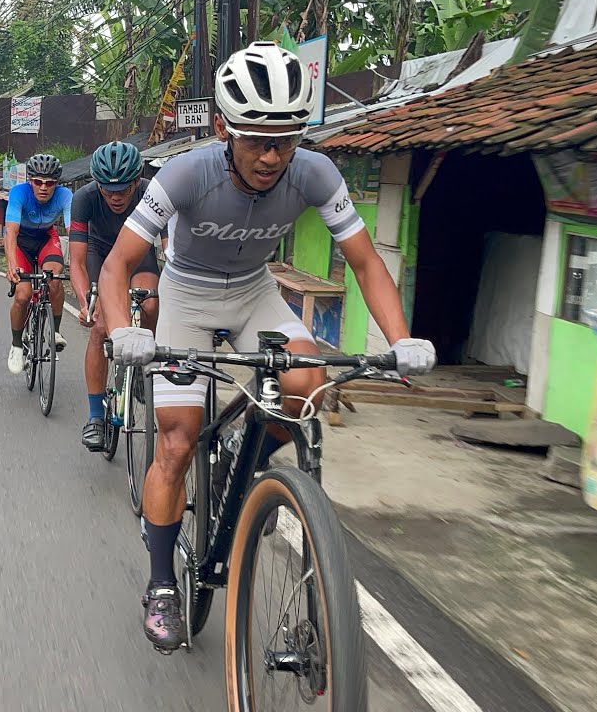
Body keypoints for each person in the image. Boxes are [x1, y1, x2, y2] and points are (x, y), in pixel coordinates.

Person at [98, 41, 438, 653]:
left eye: (286, 138)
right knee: (176, 438)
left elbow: (364, 260)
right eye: (257, 138)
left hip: (256, 292)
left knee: (306, 388)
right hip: (187, 294)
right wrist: (124, 328)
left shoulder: (314, 172)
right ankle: (161, 586)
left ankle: (244, 451)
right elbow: (118, 264)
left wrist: (401, 339)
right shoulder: (184, 173)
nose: (272, 155)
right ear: (226, 127)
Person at [68, 141, 161, 451]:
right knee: (100, 329)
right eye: (108, 189)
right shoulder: (84, 199)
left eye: (124, 188)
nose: (116, 196)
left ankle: (141, 365)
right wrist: (85, 303)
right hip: (100, 254)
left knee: (150, 303)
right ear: (97, 184)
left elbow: (171, 249)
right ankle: (95, 417)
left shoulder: (153, 191)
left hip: (138, 255)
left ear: (137, 181)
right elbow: (78, 261)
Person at [4, 153, 73, 375]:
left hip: (46, 239)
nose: (44, 187)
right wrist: (12, 265)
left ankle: (55, 331)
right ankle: (16, 346)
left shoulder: (65, 196)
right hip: (21, 243)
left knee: (53, 278)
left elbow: (75, 233)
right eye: (38, 182)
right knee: (23, 295)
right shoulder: (18, 193)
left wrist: (80, 266)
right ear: (30, 181)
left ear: (57, 184)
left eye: (50, 183)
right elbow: (11, 232)